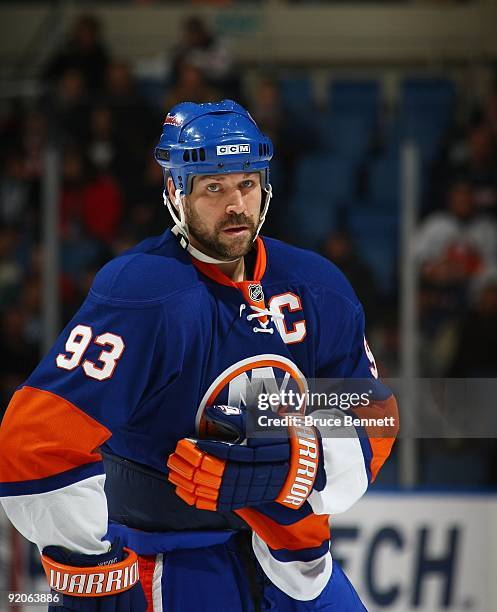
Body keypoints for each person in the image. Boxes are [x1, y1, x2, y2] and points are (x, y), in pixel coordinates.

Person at [0, 100, 398, 611]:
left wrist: (292, 466)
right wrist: (88, 570)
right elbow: (32, 441)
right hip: (173, 566)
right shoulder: (142, 294)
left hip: (299, 567)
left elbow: (372, 415)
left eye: (246, 185)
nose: (236, 205)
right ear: (175, 191)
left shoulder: (318, 285)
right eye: (214, 187)